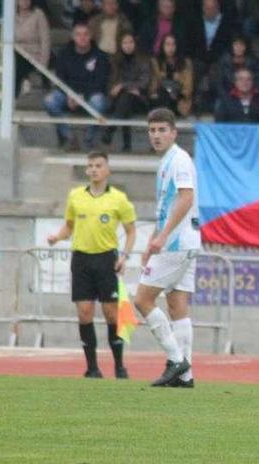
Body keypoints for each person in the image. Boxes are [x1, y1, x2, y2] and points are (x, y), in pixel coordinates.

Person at [47, 151, 137, 379]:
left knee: (111, 314)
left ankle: (119, 366)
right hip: (82, 259)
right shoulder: (76, 196)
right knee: (85, 313)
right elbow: (69, 225)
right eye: (90, 166)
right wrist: (57, 237)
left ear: (107, 170)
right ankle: (92, 368)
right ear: (87, 170)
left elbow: (131, 230)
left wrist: (124, 256)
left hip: (106, 259)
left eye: (98, 165)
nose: (94, 170)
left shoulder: (118, 199)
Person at [134, 108, 200, 388]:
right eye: (152, 130)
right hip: (185, 241)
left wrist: (163, 238)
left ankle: (176, 359)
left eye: (162, 130)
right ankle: (185, 376)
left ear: (174, 132)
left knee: (142, 299)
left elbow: (186, 198)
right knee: (177, 305)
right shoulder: (168, 161)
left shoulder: (179, 160)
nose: (157, 135)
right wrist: (154, 238)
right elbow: (167, 206)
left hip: (177, 243)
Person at [44, 23, 110, 150]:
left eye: (86, 34)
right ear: (73, 37)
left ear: (91, 36)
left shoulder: (101, 56)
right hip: (68, 94)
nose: (82, 38)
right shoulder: (63, 54)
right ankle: (69, 137)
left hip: (90, 93)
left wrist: (81, 96)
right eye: (78, 34)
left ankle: (88, 139)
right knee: (49, 101)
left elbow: (101, 82)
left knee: (100, 102)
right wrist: (70, 95)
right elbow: (60, 79)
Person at [103, 33, 151, 151]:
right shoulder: (114, 60)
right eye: (125, 43)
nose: (128, 46)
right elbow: (111, 83)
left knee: (126, 99)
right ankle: (126, 145)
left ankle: (111, 130)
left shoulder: (143, 60)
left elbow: (144, 82)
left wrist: (123, 86)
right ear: (120, 45)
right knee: (125, 100)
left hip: (140, 99)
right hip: (118, 99)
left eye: (131, 42)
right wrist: (122, 89)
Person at [149, 33, 194, 117]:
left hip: (179, 98)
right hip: (160, 96)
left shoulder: (185, 62)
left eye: (173, 44)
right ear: (163, 46)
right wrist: (154, 92)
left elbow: (188, 87)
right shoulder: (155, 62)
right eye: (167, 44)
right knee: (162, 95)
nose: (171, 48)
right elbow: (154, 83)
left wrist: (178, 93)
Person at [14, 0, 51, 98]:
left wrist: (43, 65)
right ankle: (24, 80)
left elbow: (45, 41)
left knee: (18, 62)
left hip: (33, 55)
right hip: (15, 53)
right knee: (14, 59)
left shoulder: (38, 14)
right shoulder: (11, 15)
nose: (25, 1)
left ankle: (14, 95)